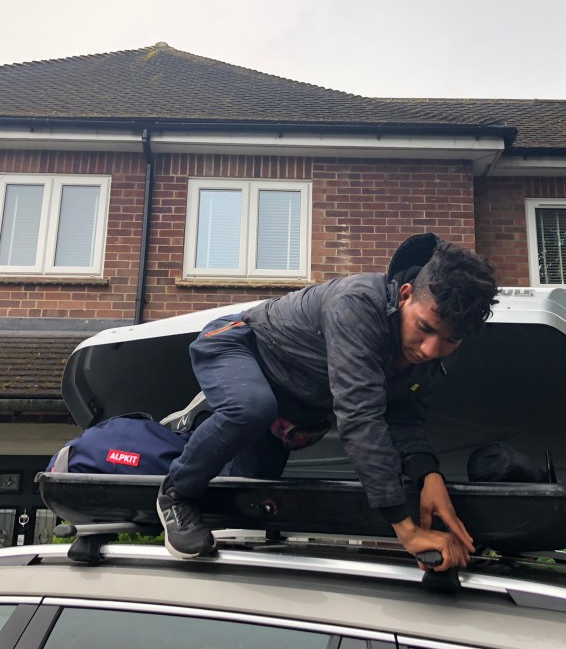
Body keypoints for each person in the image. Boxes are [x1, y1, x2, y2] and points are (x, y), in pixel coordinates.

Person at [156, 233, 498, 571]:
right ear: (406, 295)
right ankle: (174, 493)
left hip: (286, 408)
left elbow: (403, 415)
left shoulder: (430, 356)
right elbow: (361, 417)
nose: (429, 349)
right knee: (250, 409)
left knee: (242, 508)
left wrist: (428, 475)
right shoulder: (358, 304)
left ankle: (195, 434)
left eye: (449, 341)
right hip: (239, 346)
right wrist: (406, 531)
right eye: (424, 328)